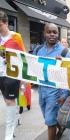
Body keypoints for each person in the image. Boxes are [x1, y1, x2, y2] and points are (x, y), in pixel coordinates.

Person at [35, 23, 70, 140]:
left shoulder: (65, 52)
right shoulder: (38, 49)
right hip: (42, 91)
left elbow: (69, 74)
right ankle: (60, 128)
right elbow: (30, 66)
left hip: (56, 92)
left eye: (55, 32)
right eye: (49, 32)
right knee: (48, 117)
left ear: (58, 34)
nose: (52, 34)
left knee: (49, 121)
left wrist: (64, 94)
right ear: (44, 33)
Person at [0, 10, 26, 140]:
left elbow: (23, 57)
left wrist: (23, 79)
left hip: (12, 74)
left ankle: (8, 136)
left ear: (5, 23)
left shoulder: (16, 37)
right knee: (8, 101)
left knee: (10, 102)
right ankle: (16, 118)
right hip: (0, 75)